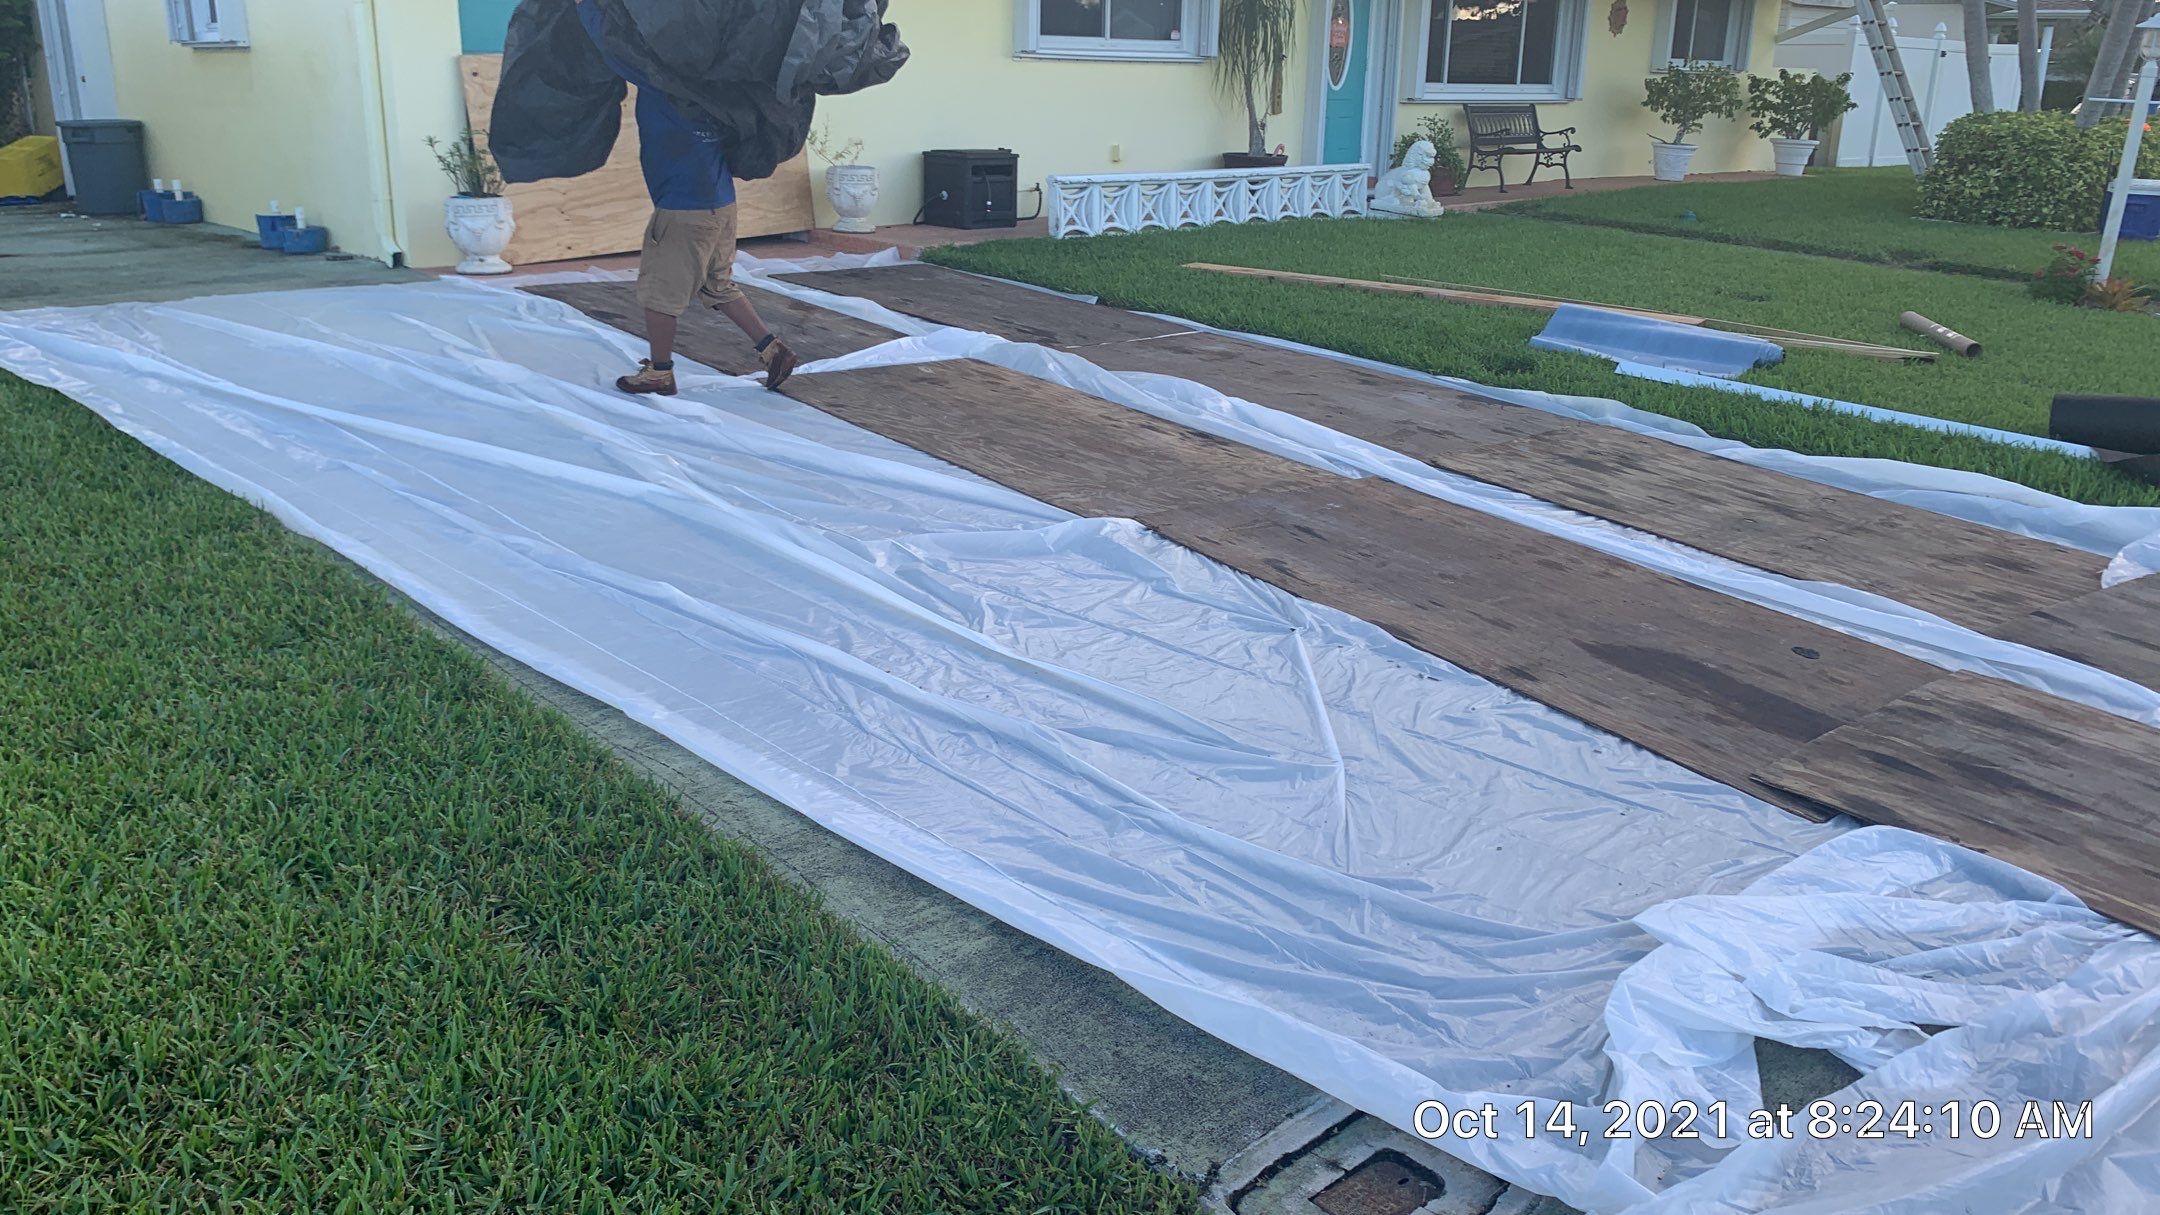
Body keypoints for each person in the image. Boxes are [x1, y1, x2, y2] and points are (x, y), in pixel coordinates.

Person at [576, 0, 799, 396]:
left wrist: (586, 7)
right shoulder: (712, 89)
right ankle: (773, 349)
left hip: (685, 210)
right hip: (720, 204)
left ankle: (660, 372)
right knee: (718, 286)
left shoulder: (665, 84)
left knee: (659, 294)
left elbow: (616, 50)